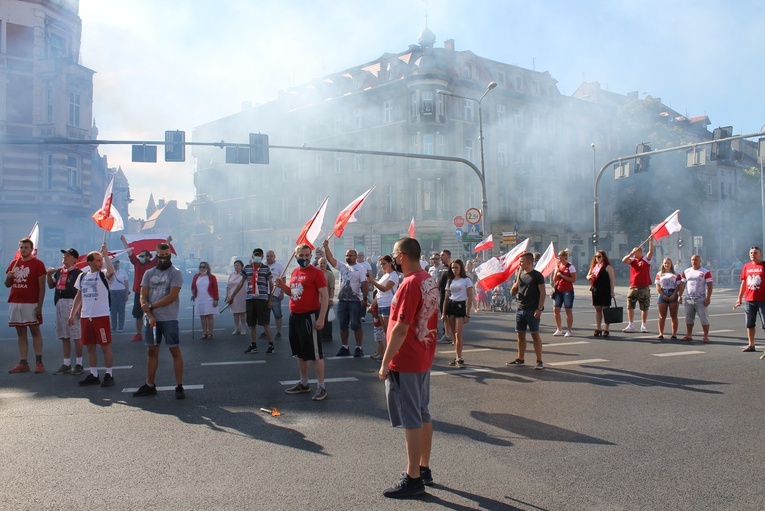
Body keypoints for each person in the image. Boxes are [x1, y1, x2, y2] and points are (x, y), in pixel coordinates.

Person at [379, 237, 439, 499]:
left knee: (412, 418)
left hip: (407, 358)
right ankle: (423, 468)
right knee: (423, 412)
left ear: (402, 255)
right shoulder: (427, 278)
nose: (392, 258)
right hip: (423, 354)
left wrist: (384, 362)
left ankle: (413, 477)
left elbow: (401, 328)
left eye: (394, 254)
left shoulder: (410, 283)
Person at [276, 244, 329, 401]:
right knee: (300, 353)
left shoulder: (316, 273)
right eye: (302, 255)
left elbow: (325, 296)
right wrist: (282, 286)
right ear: (295, 255)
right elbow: (293, 293)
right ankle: (304, 383)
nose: (305, 258)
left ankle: (321, 387)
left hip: (309, 316)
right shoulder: (295, 272)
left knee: (315, 354)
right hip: (295, 316)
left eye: (307, 255)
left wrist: (321, 318)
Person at [134, 243, 185, 399]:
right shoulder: (149, 273)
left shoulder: (176, 273)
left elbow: (172, 296)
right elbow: (143, 294)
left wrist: (151, 305)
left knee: (174, 350)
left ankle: (179, 385)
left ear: (169, 255)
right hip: (152, 319)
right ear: (156, 256)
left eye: (166, 256)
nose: (163, 259)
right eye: (160, 256)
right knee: (152, 351)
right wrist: (148, 311)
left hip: (169, 318)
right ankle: (149, 384)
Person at [68, 245, 116, 387]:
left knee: (105, 346)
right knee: (89, 347)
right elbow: (79, 295)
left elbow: (111, 272)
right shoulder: (82, 276)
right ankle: (94, 374)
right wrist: (72, 314)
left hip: (101, 315)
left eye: (100, 260)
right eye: (97, 260)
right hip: (86, 316)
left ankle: (109, 374)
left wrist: (106, 255)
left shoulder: (104, 274)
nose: (100, 263)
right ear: (89, 262)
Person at [5, 237, 47, 374]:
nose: (23, 250)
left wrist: (39, 306)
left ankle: (39, 362)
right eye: (21, 247)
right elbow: (7, 284)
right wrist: (8, 277)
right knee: (20, 332)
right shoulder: (14, 263)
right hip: (15, 302)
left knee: (35, 331)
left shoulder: (38, 264)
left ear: (31, 249)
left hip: (31, 303)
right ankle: (23, 363)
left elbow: (42, 287)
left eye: (26, 247)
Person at [121, 235, 172, 342]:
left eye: (143, 256)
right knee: (138, 314)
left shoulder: (153, 263)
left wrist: (168, 242)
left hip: (151, 292)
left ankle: (155, 332)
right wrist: (124, 240)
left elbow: (161, 253)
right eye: (140, 255)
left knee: (153, 312)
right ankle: (138, 334)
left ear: (148, 257)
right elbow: (129, 252)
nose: (141, 257)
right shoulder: (136, 263)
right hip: (138, 292)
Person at [322, 240, 368, 357]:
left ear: (356, 257)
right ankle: (345, 347)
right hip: (342, 301)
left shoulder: (361, 268)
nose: (348, 257)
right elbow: (331, 259)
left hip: (355, 302)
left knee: (356, 325)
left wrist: (365, 299)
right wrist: (326, 247)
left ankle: (359, 348)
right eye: (347, 255)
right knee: (343, 326)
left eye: (351, 255)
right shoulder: (342, 266)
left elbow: (364, 284)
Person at [46, 248, 84, 375]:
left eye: (68, 256)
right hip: (60, 303)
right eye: (64, 255)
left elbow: (80, 292)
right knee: (64, 336)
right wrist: (48, 275)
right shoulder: (59, 272)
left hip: (72, 303)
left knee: (76, 335)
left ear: (74, 259)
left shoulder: (79, 273)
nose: (65, 258)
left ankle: (79, 363)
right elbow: (52, 286)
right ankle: (66, 363)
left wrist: (79, 309)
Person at [506, 252, 546, 369]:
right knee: (520, 335)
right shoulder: (519, 275)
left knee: (535, 335)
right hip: (520, 308)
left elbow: (543, 293)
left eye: (521, 262)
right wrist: (514, 287)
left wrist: (539, 309)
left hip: (532, 310)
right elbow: (513, 292)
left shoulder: (537, 275)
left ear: (529, 262)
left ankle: (539, 361)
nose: (519, 264)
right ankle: (520, 359)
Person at [232, 248, 275, 355]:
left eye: (259, 255)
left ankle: (271, 345)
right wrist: (232, 296)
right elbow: (241, 283)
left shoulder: (266, 269)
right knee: (251, 323)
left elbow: (271, 284)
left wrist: (270, 300)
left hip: (262, 299)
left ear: (262, 257)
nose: (257, 257)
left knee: (265, 323)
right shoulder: (247, 268)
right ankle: (253, 345)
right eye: (255, 255)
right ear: (252, 256)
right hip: (250, 298)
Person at [367, 254, 400, 360]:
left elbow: (385, 288)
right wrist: (372, 305)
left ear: (391, 263)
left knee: (390, 332)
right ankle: (387, 354)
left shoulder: (393, 275)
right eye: (381, 264)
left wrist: (373, 282)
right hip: (381, 304)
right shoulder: (385, 275)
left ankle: (392, 354)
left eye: (384, 264)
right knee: (385, 332)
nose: (382, 266)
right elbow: (378, 293)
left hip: (388, 305)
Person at [442, 258, 474, 367]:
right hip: (451, 305)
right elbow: (446, 298)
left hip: (460, 306)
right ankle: (456, 356)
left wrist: (467, 314)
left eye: (456, 267)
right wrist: (443, 313)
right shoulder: (450, 280)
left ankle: (460, 357)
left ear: (461, 268)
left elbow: (470, 297)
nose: (454, 270)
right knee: (453, 334)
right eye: (452, 268)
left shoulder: (466, 280)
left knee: (458, 333)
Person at [621, 238, 655, 333]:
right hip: (633, 287)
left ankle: (643, 325)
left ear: (641, 252)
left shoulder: (645, 260)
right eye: (635, 251)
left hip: (644, 287)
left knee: (644, 307)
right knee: (630, 306)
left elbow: (651, 251)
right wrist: (631, 254)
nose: (636, 253)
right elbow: (624, 260)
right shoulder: (632, 260)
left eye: (638, 251)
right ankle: (631, 324)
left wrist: (651, 241)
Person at [737, 246, 765, 352]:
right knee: (749, 324)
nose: (753, 254)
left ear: (760, 254)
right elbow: (744, 282)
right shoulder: (746, 266)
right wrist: (739, 298)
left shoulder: (763, 265)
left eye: (755, 253)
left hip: (763, 300)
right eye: (751, 253)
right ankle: (751, 345)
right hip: (749, 300)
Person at [679, 254, 713, 343]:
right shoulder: (686, 271)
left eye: (696, 260)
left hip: (701, 299)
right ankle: (689, 335)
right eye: (692, 260)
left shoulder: (705, 272)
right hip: (689, 298)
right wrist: (680, 295)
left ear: (700, 261)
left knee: (703, 318)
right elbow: (682, 284)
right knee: (689, 318)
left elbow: (710, 285)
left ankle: (706, 336)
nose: (694, 261)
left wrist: (708, 297)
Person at [586, 250, 615, 338]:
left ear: (603, 257)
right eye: (596, 256)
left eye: (599, 256)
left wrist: (612, 292)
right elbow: (587, 276)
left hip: (605, 290)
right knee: (598, 309)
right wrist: (590, 276)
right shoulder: (594, 267)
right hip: (596, 290)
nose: (597, 258)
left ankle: (606, 329)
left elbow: (612, 280)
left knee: (605, 310)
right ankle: (598, 328)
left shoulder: (607, 267)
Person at [551, 249, 577, 337]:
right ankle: (559, 329)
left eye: (560, 256)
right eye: (558, 256)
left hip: (568, 291)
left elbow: (573, 280)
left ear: (565, 257)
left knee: (568, 310)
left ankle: (569, 330)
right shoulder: (558, 266)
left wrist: (562, 275)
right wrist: (556, 273)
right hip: (558, 290)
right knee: (556, 309)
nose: (559, 258)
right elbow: (555, 279)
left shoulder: (570, 267)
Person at [655, 257, 682, 340]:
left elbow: (678, 286)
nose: (667, 264)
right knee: (662, 316)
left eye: (668, 263)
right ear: (663, 264)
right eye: (665, 263)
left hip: (673, 293)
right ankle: (661, 333)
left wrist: (674, 294)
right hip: (663, 294)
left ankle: (674, 334)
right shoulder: (659, 274)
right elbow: (658, 286)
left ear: (671, 264)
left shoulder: (676, 274)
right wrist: (662, 295)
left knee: (673, 316)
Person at [191, 261, 219, 340]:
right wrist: (193, 294)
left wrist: (216, 299)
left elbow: (215, 289)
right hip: (199, 298)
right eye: (200, 267)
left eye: (204, 267)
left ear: (207, 268)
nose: (202, 269)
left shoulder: (211, 277)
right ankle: (204, 333)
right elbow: (193, 286)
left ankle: (210, 333)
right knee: (202, 316)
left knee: (210, 316)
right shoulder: (196, 276)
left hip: (209, 298)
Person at [265, 250, 285, 340]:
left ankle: (279, 332)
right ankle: (266, 332)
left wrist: (282, 293)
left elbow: (283, 281)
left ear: (274, 256)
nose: (269, 258)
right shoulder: (263, 265)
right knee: (265, 315)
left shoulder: (279, 266)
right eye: (267, 256)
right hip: (264, 294)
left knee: (277, 314)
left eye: (271, 256)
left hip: (275, 294)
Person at [224, 260, 247, 335]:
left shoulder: (244, 275)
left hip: (242, 295)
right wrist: (227, 295)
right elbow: (228, 286)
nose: (236, 267)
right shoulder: (231, 275)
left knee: (242, 313)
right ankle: (236, 328)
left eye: (238, 265)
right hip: (232, 296)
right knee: (235, 313)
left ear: (241, 267)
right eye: (235, 265)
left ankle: (243, 329)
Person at [436, 250, 454, 344]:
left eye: (443, 255)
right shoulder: (441, 268)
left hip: (450, 295)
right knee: (444, 316)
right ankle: (447, 335)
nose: (441, 257)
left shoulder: (452, 267)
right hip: (441, 294)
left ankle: (453, 335)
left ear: (448, 256)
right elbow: (438, 280)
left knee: (450, 316)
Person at [108, 259, 130, 332]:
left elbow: (126, 283)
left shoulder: (123, 272)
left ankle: (121, 326)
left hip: (121, 291)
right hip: (112, 291)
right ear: (112, 264)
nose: (116, 264)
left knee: (121, 310)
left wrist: (126, 294)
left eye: (117, 263)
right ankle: (113, 326)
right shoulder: (109, 272)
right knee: (113, 310)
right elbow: (108, 281)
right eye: (114, 263)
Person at [317, 257, 335, 343]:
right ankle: (319, 335)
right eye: (321, 263)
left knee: (327, 319)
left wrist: (331, 299)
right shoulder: (315, 273)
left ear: (326, 264)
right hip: (316, 300)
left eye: (324, 263)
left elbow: (332, 288)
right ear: (318, 264)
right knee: (318, 317)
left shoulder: (329, 274)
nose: (322, 265)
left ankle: (327, 336)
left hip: (326, 299)